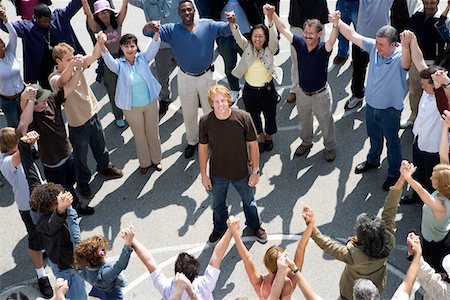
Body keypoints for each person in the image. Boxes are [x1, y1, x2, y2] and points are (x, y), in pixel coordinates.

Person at [143, 0, 232, 159]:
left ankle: (214, 140)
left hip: (206, 77)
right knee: (189, 113)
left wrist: (232, 21)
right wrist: (149, 26)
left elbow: (226, 30)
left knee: (210, 111)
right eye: (183, 11)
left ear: (194, 11)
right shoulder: (172, 29)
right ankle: (192, 141)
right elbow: (148, 33)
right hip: (185, 78)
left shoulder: (208, 25)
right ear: (179, 14)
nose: (187, 13)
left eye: (189, 10)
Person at [336, 14, 411, 190]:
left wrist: (407, 44)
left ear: (394, 44)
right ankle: (373, 160)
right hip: (371, 107)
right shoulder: (374, 48)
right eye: (377, 43)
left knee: (392, 143)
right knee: (374, 137)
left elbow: (407, 63)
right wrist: (338, 22)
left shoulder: (401, 56)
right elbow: (354, 36)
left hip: (390, 111)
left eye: (382, 45)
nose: (377, 48)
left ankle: (394, 174)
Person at [307, 170, 405, 299]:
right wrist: (402, 179)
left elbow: (326, 245)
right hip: (374, 288)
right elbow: (389, 212)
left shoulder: (352, 254)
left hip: (349, 292)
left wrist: (311, 226)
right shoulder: (389, 241)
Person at [49, 39, 123, 198]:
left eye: (73, 56)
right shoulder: (53, 78)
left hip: (92, 113)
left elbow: (95, 55)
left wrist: (99, 41)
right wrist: (73, 65)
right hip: (77, 123)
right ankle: (83, 182)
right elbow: (62, 81)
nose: (73, 59)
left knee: (100, 145)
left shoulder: (76, 65)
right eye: (68, 59)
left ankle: (104, 167)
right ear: (58, 61)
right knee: (80, 156)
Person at [199, 85, 266, 245]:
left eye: (223, 100)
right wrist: (203, 174)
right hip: (218, 172)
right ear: (211, 104)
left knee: (249, 201)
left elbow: (253, 144)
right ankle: (220, 228)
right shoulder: (205, 122)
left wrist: (255, 170)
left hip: (242, 171)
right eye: (216, 101)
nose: (220, 104)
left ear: (229, 100)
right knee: (217, 203)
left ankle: (255, 226)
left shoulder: (243, 117)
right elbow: (202, 148)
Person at [272, 7, 339, 162]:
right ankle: (306, 142)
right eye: (306, 33)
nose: (307, 36)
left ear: (319, 34)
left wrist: (336, 25)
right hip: (302, 93)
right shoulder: (300, 43)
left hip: (320, 94)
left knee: (326, 122)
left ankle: (330, 147)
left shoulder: (323, 48)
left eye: (311, 34)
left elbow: (332, 40)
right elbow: (282, 28)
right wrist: (272, 14)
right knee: (304, 121)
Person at [18, 83, 94, 214]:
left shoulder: (52, 101)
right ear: (33, 106)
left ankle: (74, 204)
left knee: (70, 185)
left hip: (67, 155)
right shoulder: (33, 119)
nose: (45, 101)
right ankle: (67, 213)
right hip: (53, 164)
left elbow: (70, 87)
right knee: (60, 192)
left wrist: (77, 68)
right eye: (41, 101)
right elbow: (23, 125)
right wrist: (28, 100)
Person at [100, 31, 163, 174]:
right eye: (126, 46)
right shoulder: (119, 65)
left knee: (153, 133)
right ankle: (145, 162)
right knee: (139, 135)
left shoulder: (143, 58)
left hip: (150, 103)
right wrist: (101, 45)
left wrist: (156, 34)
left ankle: (157, 160)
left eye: (132, 46)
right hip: (132, 108)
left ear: (136, 47)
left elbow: (153, 47)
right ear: (121, 48)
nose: (130, 49)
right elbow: (108, 60)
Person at [0, 129, 53, 298]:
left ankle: (48, 250)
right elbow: (21, 154)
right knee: (35, 240)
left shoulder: (16, 152)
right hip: (28, 208)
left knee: (49, 230)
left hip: (40, 199)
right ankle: (41, 276)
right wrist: (26, 142)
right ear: (10, 146)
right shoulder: (6, 162)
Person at [129, 0, 199, 115]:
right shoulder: (145, 2)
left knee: (188, 73)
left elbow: (189, 11)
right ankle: (164, 99)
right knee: (162, 76)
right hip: (161, 47)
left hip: (180, 43)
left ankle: (191, 97)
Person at [132, 220, 233, 299]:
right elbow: (216, 256)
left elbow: (149, 262)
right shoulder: (204, 285)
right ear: (195, 272)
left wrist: (132, 240)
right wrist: (230, 231)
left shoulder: (167, 288)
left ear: (176, 273)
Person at [228, 5, 281, 153]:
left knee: (270, 115)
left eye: (261, 36)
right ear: (251, 36)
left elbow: (274, 38)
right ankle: (261, 136)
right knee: (253, 116)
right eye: (255, 35)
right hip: (250, 90)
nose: (257, 39)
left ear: (265, 38)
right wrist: (232, 23)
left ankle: (268, 136)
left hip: (267, 90)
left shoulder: (270, 48)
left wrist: (270, 19)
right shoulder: (247, 47)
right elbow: (237, 37)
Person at [239, 205, 319, 300]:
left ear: (265, 264)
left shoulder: (259, 284)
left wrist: (234, 233)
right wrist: (311, 224)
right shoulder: (291, 279)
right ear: (286, 263)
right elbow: (300, 249)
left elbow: (246, 258)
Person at [0, 0, 85, 89]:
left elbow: (75, 5)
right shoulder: (27, 28)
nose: (48, 24)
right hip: (45, 75)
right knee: (52, 99)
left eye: (49, 20)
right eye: (44, 22)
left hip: (66, 67)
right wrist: (1, 16)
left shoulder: (59, 17)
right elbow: (7, 27)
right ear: (35, 18)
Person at [81, 0, 128, 128]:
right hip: (107, 63)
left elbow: (124, 6)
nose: (103, 15)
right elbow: (88, 15)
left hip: (123, 60)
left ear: (110, 12)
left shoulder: (117, 22)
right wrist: (84, 2)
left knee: (128, 86)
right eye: (100, 13)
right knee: (113, 90)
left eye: (106, 11)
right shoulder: (97, 27)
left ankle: (129, 111)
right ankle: (119, 116)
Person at [400, 0, 446, 129]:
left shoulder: (443, 21)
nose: (429, 6)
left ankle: (430, 124)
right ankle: (413, 117)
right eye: (427, 2)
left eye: (432, 3)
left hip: (433, 64)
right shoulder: (417, 16)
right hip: (416, 63)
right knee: (414, 91)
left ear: (437, 2)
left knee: (432, 96)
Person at [400, 161, 450, 273]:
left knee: (435, 270)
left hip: (435, 244)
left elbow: (420, 191)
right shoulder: (443, 193)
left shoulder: (440, 206)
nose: (430, 178)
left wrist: (408, 177)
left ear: (442, 184)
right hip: (435, 237)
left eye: (434, 177)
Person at [209, 0, 263, 102]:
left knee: (251, 64)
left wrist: (261, 33)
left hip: (245, 36)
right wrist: (217, 38)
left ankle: (253, 87)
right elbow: (212, 18)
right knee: (230, 66)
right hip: (226, 38)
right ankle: (234, 89)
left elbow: (256, 15)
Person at [344, 0, 394, 109]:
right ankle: (358, 95)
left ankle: (381, 98)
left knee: (382, 73)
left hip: (382, 41)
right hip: (361, 38)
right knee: (358, 70)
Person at [285, 0, 329, 104]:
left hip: (318, 18)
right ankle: (295, 89)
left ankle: (319, 88)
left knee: (319, 59)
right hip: (297, 18)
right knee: (296, 59)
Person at [73, 226, 134, 299]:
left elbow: (76, 243)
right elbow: (120, 265)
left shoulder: (84, 270)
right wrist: (128, 243)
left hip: (99, 292)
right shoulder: (105, 274)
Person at [0, 6, 25, 129]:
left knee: (27, 122)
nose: (2, 48)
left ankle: (29, 147)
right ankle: (18, 148)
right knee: (14, 127)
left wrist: (6, 20)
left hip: (22, 96)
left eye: (2, 45)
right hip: (7, 102)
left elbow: (13, 35)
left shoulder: (10, 52)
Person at [333, 0, 359, 65]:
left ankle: (358, 56)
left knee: (359, 32)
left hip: (358, 4)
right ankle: (342, 53)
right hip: (342, 2)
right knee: (341, 29)